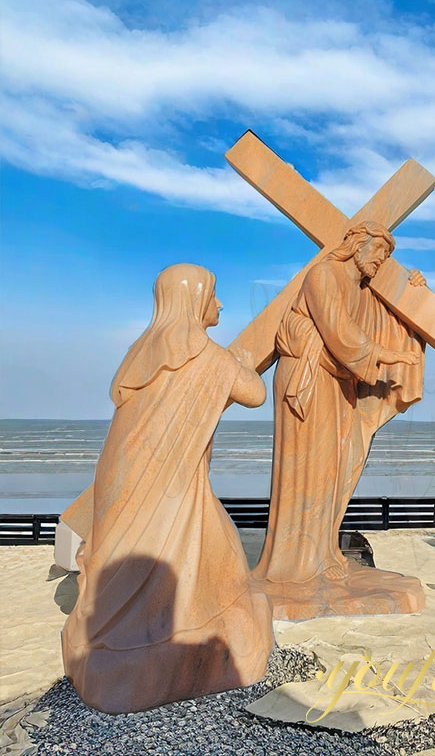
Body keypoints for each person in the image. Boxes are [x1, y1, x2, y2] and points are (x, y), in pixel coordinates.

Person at [62, 264, 273, 713]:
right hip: (170, 487)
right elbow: (255, 393)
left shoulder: (143, 350)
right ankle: (154, 640)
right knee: (210, 559)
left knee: (130, 561)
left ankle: (113, 639)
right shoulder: (209, 357)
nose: (219, 304)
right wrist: (236, 361)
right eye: (213, 296)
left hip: (120, 476)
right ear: (194, 301)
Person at [253, 221, 426, 617]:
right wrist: (387, 356)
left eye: (387, 254)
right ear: (355, 244)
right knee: (308, 470)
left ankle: (321, 553)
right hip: (309, 379)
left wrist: (415, 293)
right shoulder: (324, 274)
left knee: (335, 468)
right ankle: (292, 565)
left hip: (335, 382)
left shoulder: (359, 289)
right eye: (378, 250)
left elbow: (384, 319)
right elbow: (341, 332)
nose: (381, 260)